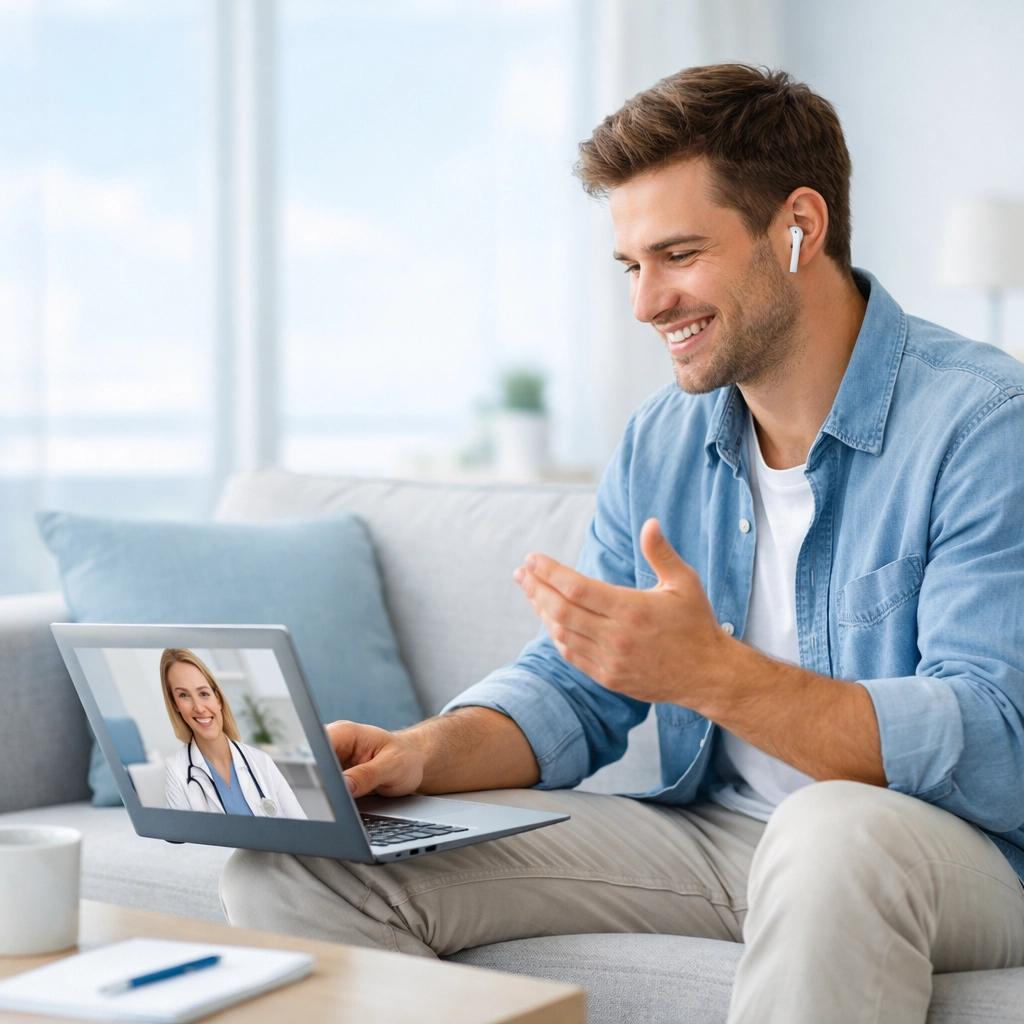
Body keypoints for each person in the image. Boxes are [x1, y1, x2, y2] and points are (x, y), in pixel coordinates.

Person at [221, 65, 1024, 1022]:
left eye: (678, 255)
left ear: (799, 227)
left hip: (950, 853)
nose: (647, 304)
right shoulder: (664, 438)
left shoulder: (982, 424)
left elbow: (998, 745)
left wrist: (712, 673)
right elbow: (574, 690)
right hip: (722, 839)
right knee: (300, 865)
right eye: (631, 265)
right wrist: (417, 756)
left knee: (832, 830)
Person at [161, 648, 307, 820]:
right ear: (175, 705)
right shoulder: (177, 768)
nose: (199, 708)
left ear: (218, 699)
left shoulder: (261, 762)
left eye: (203, 693)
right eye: (184, 695)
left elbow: (303, 831)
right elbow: (182, 841)